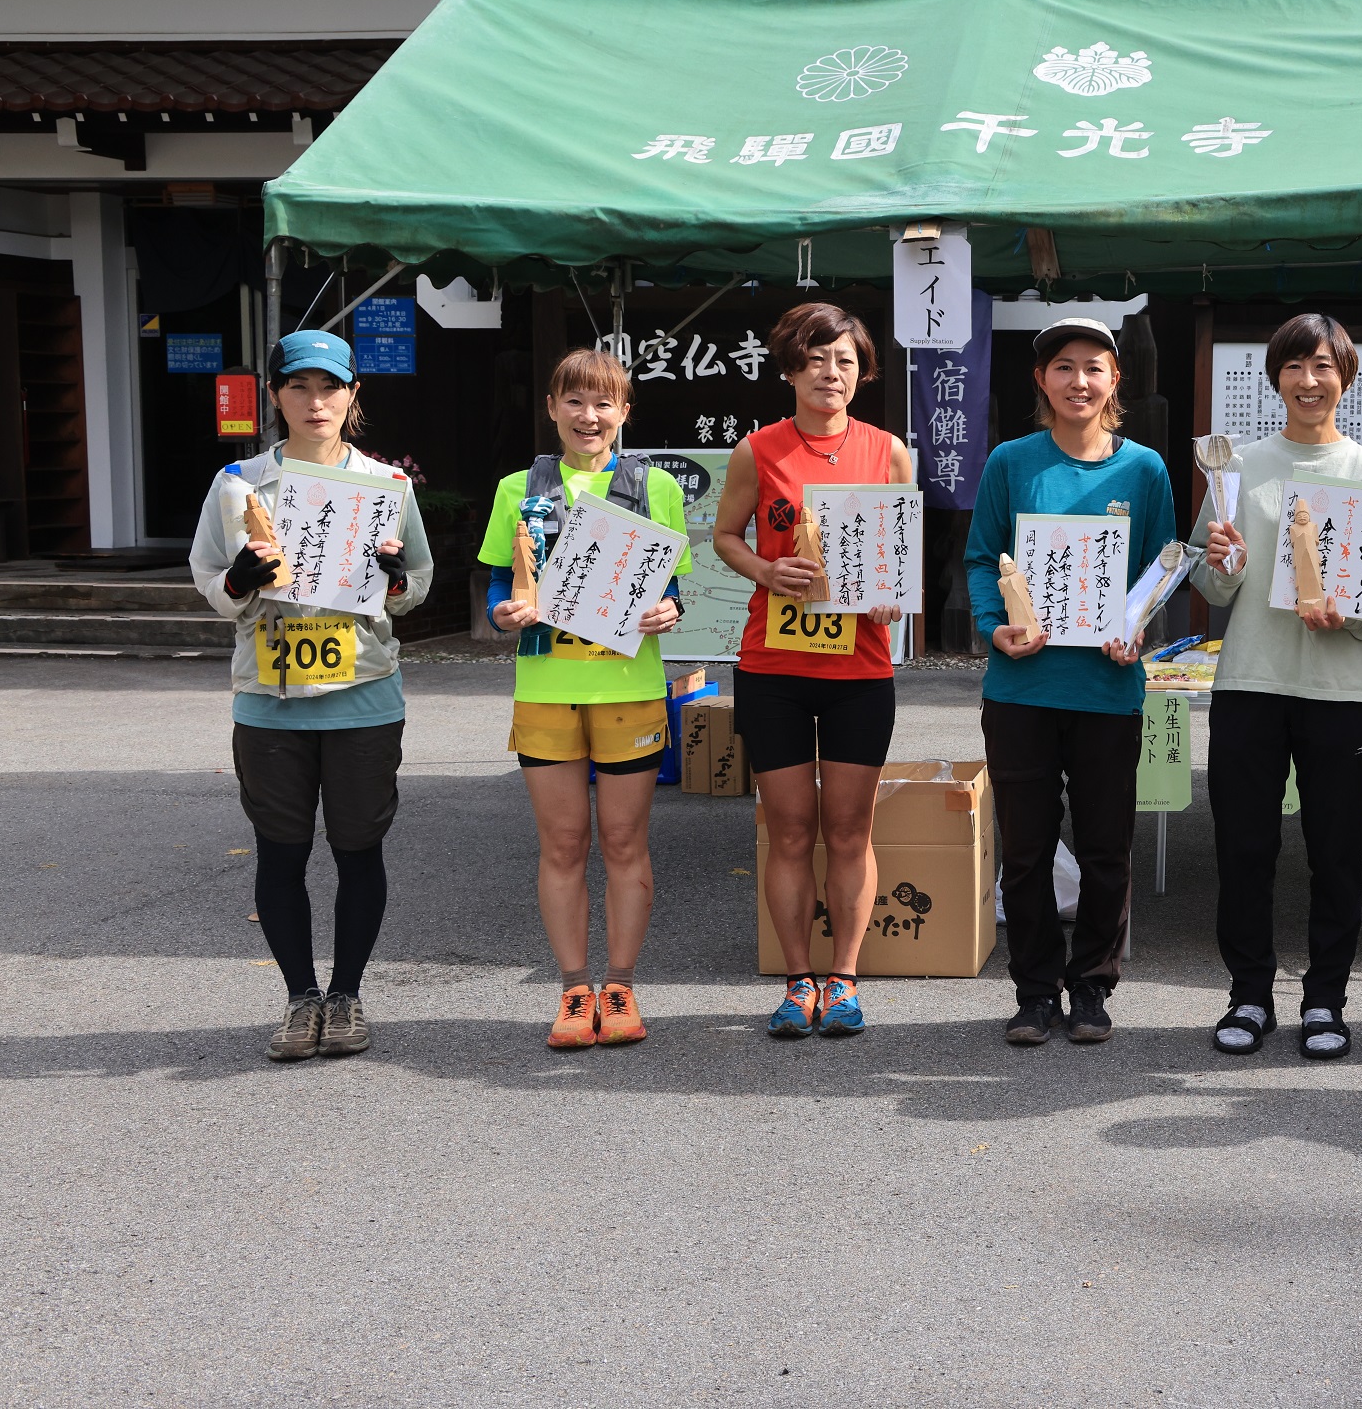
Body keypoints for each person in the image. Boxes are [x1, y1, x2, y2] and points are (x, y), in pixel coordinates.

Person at [190, 330, 433, 1062]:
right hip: (269, 698)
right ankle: (301, 998)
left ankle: (346, 995)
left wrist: (395, 579)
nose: (315, 401)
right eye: (298, 386)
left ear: (353, 394)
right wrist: (237, 581)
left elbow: (417, 582)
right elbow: (208, 575)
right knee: (280, 852)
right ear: (275, 395)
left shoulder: (386, 486)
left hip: (363, 692)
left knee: (358, 849)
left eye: (330, 386)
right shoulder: (237, 484)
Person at [1187, 313, 1362, 1060]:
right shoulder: (1237, 469)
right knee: (1244, 849)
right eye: (1294, 366)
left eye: (1323, 366)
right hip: (1249, 684)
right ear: (1275, 379)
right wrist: (1221, 562)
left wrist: (1353, 615)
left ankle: (1325, 1000)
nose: (1308, 381)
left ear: (1345, 376)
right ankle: (1249, 995)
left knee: (1337, 854)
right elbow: (1209, 585)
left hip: (1337, 691)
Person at [965, 315, 1178, 1048]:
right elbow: (980, 557)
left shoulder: (1144, 470)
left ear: (1115, 380)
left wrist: (1137, 626)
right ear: (1041, 380)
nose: (1078, 381)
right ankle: (1033, 991)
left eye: (1093, 367)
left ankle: (1091, 984)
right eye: (1063, 366)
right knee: (1025, 850)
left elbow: (1162, 563)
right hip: (1021, 689)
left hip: (1106, 690)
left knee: (1105, 849)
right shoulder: (1011, 462)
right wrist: (993, 625)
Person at [714, 303, 912, 1041]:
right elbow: (725, 536)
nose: (831, 373)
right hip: (774, 667)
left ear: (863, 375)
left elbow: (898, 556)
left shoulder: (888, 451)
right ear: (791, 368)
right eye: (817, 358)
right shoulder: (757, 450)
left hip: (860, 668)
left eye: (846, 361)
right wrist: (767, 570)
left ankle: (845, 978)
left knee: (851, 829)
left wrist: (891, 595)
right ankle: (798, 979)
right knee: (790, 829)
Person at [482, 348, 688, 1050]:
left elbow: (671, 587)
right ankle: (574, 988)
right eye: (574, 400)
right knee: (563, 843)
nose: (589, 416)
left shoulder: (655, 486)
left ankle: (620, 984)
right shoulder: (520, 487)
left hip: (629, 688)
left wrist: (669, 610)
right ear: (552, 408)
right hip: (546, 690)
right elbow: (500, 583)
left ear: (625, 412)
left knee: (625, 841)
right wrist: (503, 613)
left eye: (604, 403)